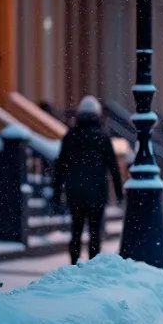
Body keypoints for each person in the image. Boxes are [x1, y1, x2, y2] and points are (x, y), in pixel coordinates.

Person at [53, 95, 124, 266]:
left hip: (75, 191)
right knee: (95, 232)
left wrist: (56, 191)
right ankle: (92, 266)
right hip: (97, 193)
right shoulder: (102, 137)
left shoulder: (70, 136)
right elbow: (113, 167)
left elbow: (60, 166)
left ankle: (74, 264)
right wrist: (120, 193)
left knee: (76, 230)